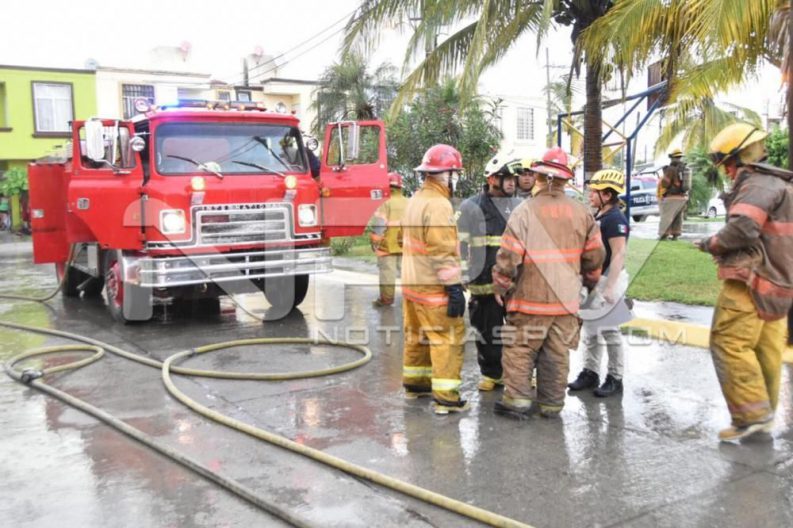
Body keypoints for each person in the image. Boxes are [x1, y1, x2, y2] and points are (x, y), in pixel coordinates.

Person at [696, 123, 793, 442]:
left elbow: (743, 230)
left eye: (726, 162)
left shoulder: (757, 184)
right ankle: (763, 415)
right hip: (780, 284)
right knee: (766, 349)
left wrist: (712, 243)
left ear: (738, 159)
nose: (725, 171)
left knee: (729, 342)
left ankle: (750, 415)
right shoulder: (782, 185)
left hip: (751, 280)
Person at [492, 148, 605, 419]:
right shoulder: (582, 214)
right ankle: (551, 405)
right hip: (565, 304)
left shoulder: (523, 212)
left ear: (540, 176)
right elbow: (594, 258)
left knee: (520, 350)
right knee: (557, 354)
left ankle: (517, 402)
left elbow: (508, 256)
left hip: (528, 302)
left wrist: (501, 285)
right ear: (565, 180)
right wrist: (589, 284)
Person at [401, 144, 468, 415]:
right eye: (455, 173)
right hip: (433, 289)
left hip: (412, 287)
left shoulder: (416, 199)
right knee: (447, 338)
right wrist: (453, 288)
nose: (457, 178)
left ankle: (416, 385)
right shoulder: (439, 205)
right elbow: (441, 250)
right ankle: (446, 399)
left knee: (416, 337)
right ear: (446, 174)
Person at [457, 154, 521, 391]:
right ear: (493, 178)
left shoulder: (519, 206)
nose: (513, 183)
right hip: (483, 282)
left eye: (514, 179)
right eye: (507, 178)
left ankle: (522, 373)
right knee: (485, 329)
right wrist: (463, 273)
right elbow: (461, 244)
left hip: (514, 282)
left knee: (521, 331)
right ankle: (492, 374)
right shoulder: (470, 207)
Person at [568, 169, 631, 397]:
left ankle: (615, 377)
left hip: (607, 280)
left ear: (607, 194)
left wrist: (611, 287)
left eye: (594, 192)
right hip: (595, 281)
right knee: (592, 331)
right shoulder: (601, 216)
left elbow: (618, 254)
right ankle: (590, 372)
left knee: (609, 331)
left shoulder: (615, 219)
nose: (590, 195)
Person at [369, 172, 408, 307]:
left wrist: (374, 241)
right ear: (400, 187)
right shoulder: (408, 202)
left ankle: (386, 300)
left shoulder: (385, 203)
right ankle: (411, 299)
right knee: (407, 273)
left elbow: (379, 225)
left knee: (387, 273)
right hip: (406, 246)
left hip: (387, 246)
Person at [658, 148, 689, 240]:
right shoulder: (684, 169)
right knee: (678, 218)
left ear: (672, 158)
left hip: (672, 197)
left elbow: (665, 183)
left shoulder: (671, 169)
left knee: (666, 216)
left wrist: (664, 176)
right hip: (682, 198)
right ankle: (675, 236)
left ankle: (664, 235)